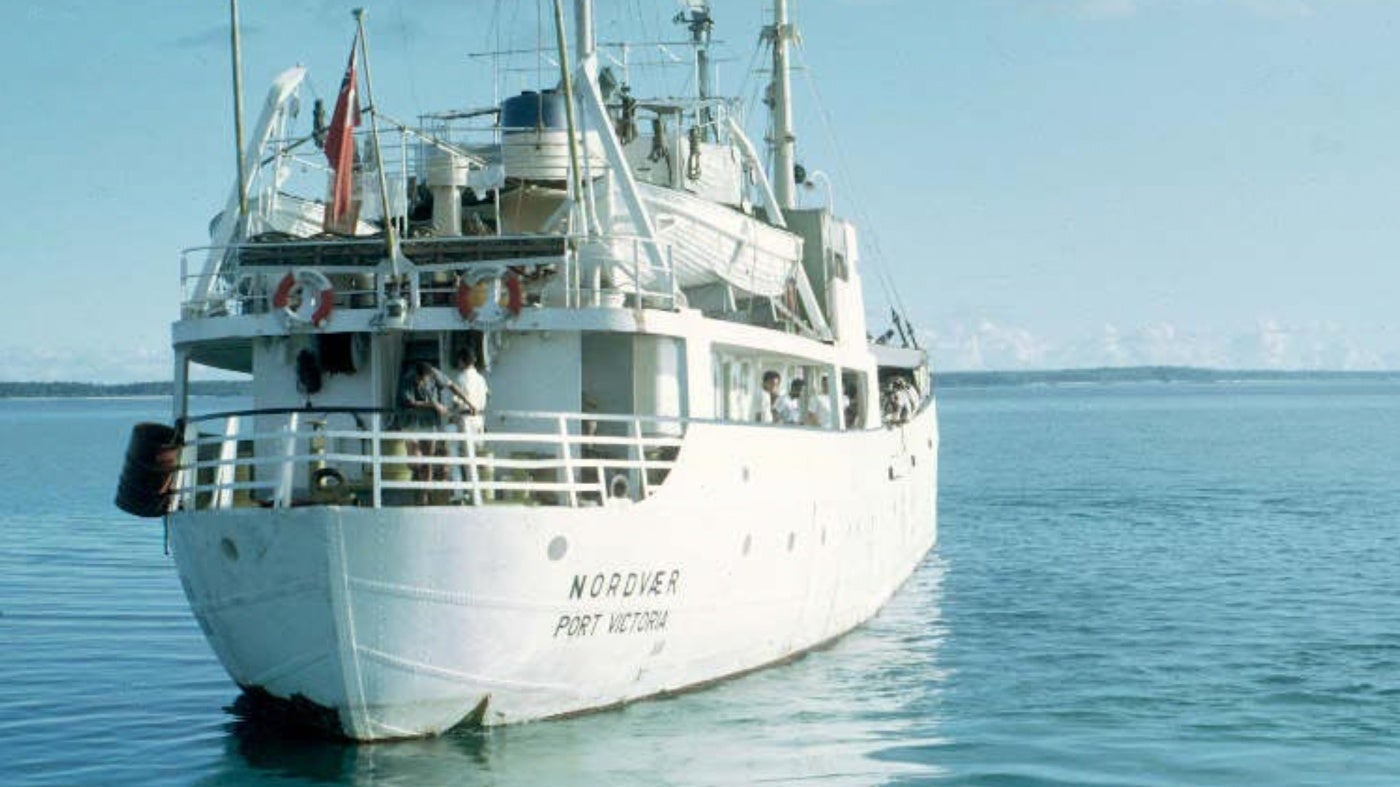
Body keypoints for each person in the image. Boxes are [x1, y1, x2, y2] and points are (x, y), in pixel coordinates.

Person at [397, 360, 448, 503]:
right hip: (411, 423)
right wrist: (433, 404)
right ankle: (418, 482)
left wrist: (468, 402)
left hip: (429, 423)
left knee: (428, 460)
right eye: (423, 379)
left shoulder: (433, 375)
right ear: (418, 375)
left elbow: (450, 384)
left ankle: (426, 494)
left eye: (427, 379)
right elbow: (410, 402)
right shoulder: (408, 380)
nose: (426, 382)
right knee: (415, 461)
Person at [445, 347, 490, 502]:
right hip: (479, 421)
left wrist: (450, 414)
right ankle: (475, 494)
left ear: (461, 361)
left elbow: (457, 403)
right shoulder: (481, 379)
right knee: (472, 459)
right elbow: (486, 397)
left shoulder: (461, 378)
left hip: (464, 421)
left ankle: (459, 493)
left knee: (458, 458)